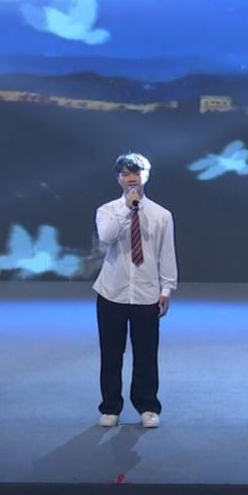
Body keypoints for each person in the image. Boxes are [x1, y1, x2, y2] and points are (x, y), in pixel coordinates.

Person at [92, 153, 177, 429]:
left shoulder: (162, 215)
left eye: (136, 173)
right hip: (112, 291)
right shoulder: (107, 210)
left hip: (146, 292)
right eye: (126, 174)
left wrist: (167, 288)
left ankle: (148, 406)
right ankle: (110, 407)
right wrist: (127, 210)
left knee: (146, 354)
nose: (131, 179)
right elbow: (106, 237)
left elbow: (167, 253)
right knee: (111, 353)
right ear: (118, 178)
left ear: (146, 176)